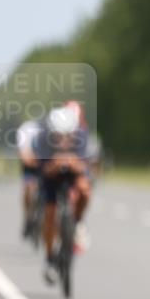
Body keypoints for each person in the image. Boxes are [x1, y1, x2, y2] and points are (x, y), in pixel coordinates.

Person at [33, 104, 92, 283]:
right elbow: (42, 170)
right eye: (58, 137)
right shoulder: (42, 139)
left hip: (72, 173)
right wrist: (54, 165)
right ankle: (50, 257)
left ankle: (78, 221)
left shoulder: (81, 136)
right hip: (51, 176)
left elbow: (85, 165)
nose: (64, 141)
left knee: (85, 190)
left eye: (68, 136)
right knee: (50, 214)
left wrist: (74, 164)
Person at [16, 118, 44, 237]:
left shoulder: (50, 129)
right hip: (30, 165)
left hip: (44, 163)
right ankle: (28, 217)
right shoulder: (26, 129)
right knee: (29, 188)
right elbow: (23, 153)